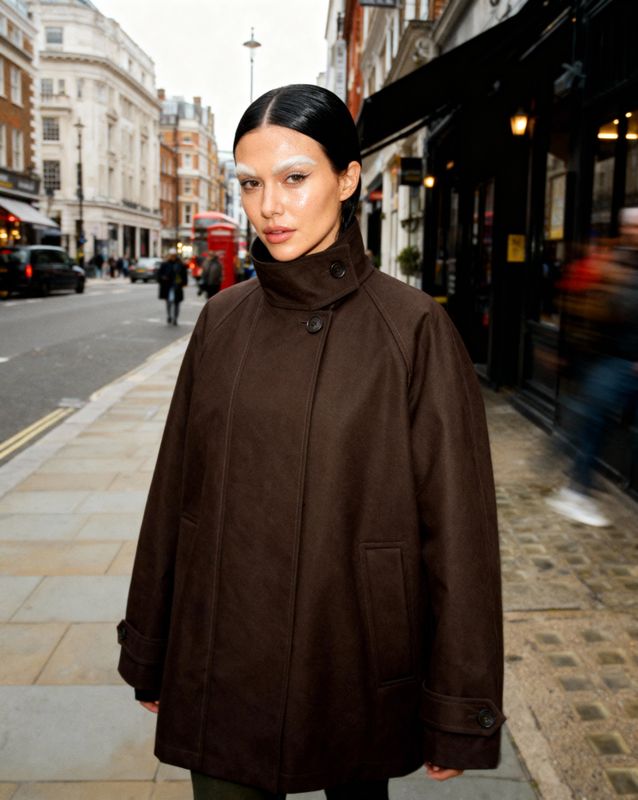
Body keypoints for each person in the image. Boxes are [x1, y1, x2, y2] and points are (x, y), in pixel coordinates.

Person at [117, 85, 504, 800]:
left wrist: (459, 704)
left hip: (349, 652)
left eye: (295, 178)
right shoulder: (222, 320)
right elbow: (175, 492)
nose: (269, 206)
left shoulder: (413, 328)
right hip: (222, 652)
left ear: (347, 178)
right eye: (251, 183)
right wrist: (153, 645)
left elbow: (459, 534)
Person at [547, 208, 638, 526]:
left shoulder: (620, 263)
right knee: (593, 422)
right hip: (613, 362)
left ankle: (575, 478)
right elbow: (614, 311)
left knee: (594, 422)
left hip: (612, 362)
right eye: (633, 227)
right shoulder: (617, 265)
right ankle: (576, 487)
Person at [158, 247, 188, 325]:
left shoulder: (180, 264)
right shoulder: (164, 264)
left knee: (177, 303)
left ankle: (175, 318)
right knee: (169, 303)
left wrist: (184, 283)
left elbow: (184, 275)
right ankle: (169, 316)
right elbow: (159, 274)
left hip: (177, 286)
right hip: (168, 287)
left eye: (174, 255)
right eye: (171, 255)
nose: (172, 257)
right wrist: (163, 278)